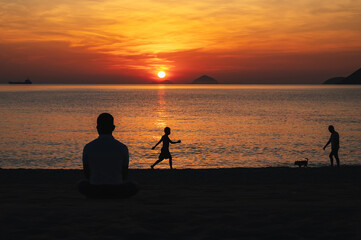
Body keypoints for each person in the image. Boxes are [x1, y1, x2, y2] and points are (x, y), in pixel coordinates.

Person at [78, 113, 138, 198]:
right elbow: (124, 174)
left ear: (97, 128)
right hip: (116, 189)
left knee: (81, 184)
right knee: (134, 185)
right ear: (113, 128)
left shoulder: (88, 147)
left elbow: (87, 173)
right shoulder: (122, 147)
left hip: (95, 189)